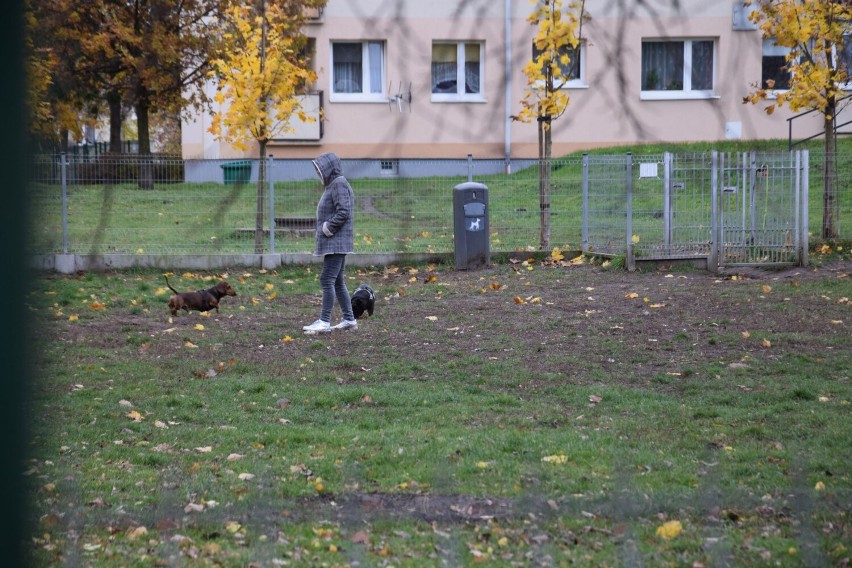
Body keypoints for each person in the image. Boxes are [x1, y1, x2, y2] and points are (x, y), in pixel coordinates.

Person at [303, 152, 358, 333]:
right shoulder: (335, 184)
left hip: (336, 241)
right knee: (337, 281)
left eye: (320, 170)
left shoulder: (339, 184)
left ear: (328, 169)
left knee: (327, 279)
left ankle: (324, 321)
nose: (319, 173)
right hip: (336, 242)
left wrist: (328, 228)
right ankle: (349, 319)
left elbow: (344, 212)